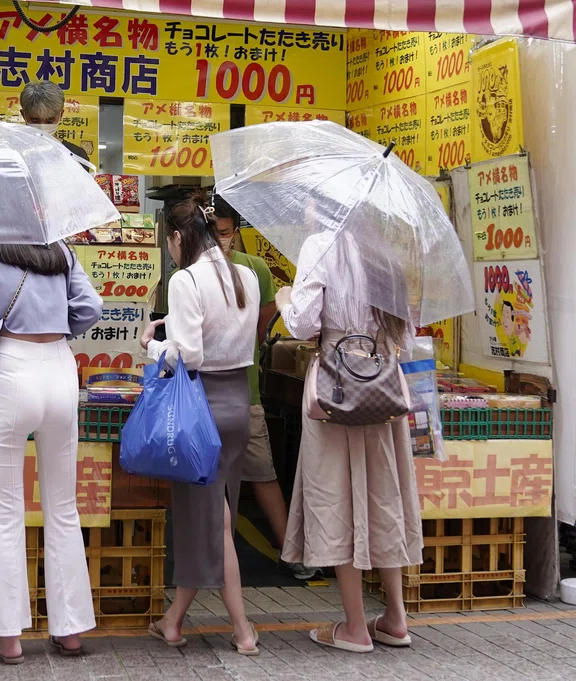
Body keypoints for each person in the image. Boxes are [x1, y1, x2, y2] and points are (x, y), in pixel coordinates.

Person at [0, 238, 102, 663]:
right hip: (60, 366)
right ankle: (69, 630)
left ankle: (9, 637)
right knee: (63, 508)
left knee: (7, 507)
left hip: (10, 367)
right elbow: (90, 309)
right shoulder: (58, 248)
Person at [276, 223, 423, 653]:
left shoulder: (320, 246)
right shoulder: (385, 255)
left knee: (335, 498)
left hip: (337, 392)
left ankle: (355, 627)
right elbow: (407, 341)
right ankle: (395, 618)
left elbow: (302, 324)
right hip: (380, 392)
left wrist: (286, 297)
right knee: (382, 497)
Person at [140, 192, 261, 655]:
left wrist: (151, 345)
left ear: (177, 237)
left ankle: (243, 629)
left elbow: (188, 354)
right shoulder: (244, 275)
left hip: (200, 406)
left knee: (213, 521)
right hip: (238, 403)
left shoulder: (185, 278)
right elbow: (223, 329)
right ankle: (172, 620)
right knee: (214, 516)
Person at [212, 196, 316, 582]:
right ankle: (289, 551)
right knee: (246, 474)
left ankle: (289, 548)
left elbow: (263, 326)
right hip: (234, 387)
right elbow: (261, 327)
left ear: (235, 232)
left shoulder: (253, 269)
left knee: (260, 472)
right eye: (212, 233)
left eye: (224, 233)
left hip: (240, 389)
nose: (218, 241)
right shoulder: (204, 269)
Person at [20, 80, 92, 165]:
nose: (42, 127)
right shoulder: (13, 152)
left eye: (49, 121)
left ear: (61, 115)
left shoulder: (76, 155)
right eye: (35, 120)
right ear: (23, 115)